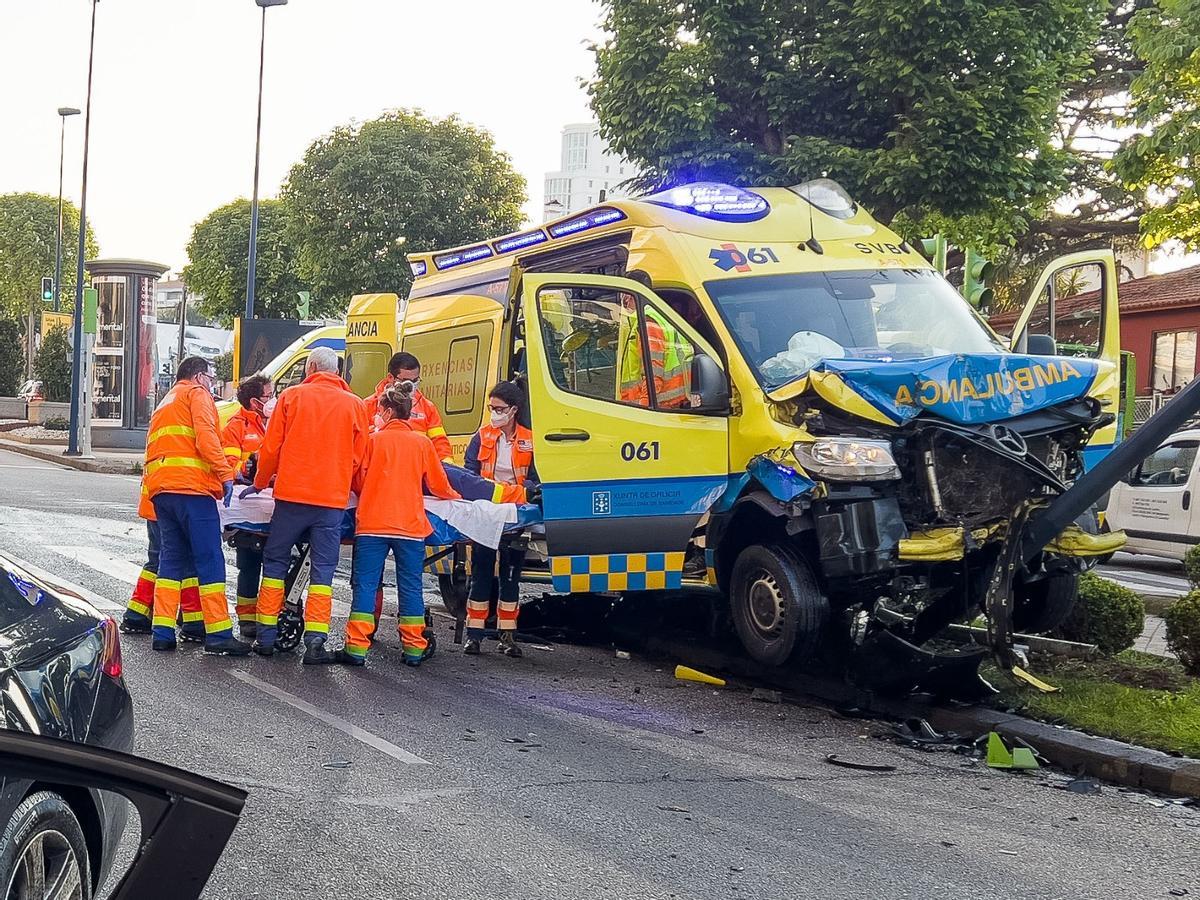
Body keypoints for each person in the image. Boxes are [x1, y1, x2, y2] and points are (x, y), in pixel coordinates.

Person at [250, 346, 368, 663]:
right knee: (323, 572)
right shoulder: (355, 405)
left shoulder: (291, 398)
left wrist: (260, 483)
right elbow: (359, 459)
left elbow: (271, 448)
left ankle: (265, 637)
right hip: (331, 502)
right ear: (337, 371)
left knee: (274, 564)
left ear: (312, 367)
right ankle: (316, 641)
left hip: (291, 498)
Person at [341, 383, 461, 667]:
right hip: (409, 527)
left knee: (366, 586)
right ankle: (414, 648)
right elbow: (438, 485)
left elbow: (356, 481)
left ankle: (356, 648)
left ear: (387, 410)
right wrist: (459, 500)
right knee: (411, 587)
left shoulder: (372, 441)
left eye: (379, 410)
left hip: (372, 525)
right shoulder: (422, 443)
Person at [142, 356, 248, 655]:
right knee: (209, 558)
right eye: (212, 377)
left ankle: (162, 632)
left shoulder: (167, 400)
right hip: (191, 488)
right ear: (200, 376)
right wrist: (225, 474)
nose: (213, 383)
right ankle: (218, 634)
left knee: (171, 560)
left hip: (162, 490)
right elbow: (206, 438)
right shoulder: (196, 394)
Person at [463, 381, 537, 658]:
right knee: (480, 576)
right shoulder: (482, 437)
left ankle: (508, 637)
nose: (494, 413)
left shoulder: (531, 439)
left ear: (514, 410)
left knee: (510, 578)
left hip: (517, 516)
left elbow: (535, 481)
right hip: (487, 514)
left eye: (499, 409)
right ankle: (474, 636)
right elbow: (469, 475)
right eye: (491, 408)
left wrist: (520, 493)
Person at [118, 479, 206, 642]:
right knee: (184, 560)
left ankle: (137, 614)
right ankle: (193, 621)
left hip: (156, 500)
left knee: (157, 559)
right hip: (174, 499)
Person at [221, 373, 275, 639]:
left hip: (275, 504)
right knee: (250, 564)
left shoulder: (277, 422)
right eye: (269, 395)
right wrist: (247, 467)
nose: (273, 399)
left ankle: (271, 615)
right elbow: (228, 468)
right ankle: (247, 618)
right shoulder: (236, 427)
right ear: (255, 402)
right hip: (249, 506)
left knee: (277, 565)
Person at [365, 352, 453, 462]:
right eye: (406, 381)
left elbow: (440, 443)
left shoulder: (427, 408)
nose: (411, 386)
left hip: (417, 472)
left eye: (415, 381)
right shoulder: (369, 406)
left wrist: (447, 466)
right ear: (390, 377)